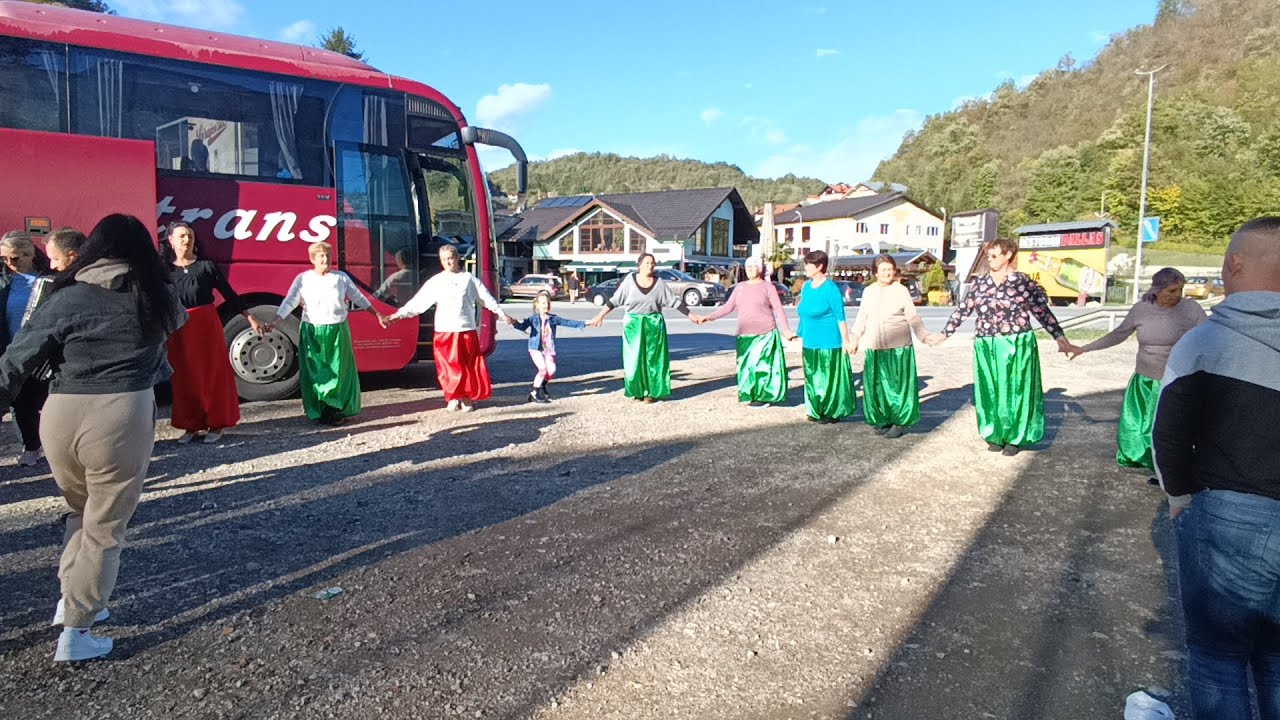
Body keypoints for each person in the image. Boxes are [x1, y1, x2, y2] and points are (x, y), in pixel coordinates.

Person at [0, 213, 185, 662]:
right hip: (121, 412)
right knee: (105, 526)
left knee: (80, 511)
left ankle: (70, 599)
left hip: (60, 413)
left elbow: (17, 359)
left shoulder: (66, 295)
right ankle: (76, 632)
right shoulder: (155, 295)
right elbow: (176, 327)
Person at [1154, 216, 1280, 720]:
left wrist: (1180, 499)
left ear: (1234, 265)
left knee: (1218, 660)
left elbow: (1167, 436)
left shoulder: (1205, 343)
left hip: (1229, 514)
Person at [928, 238, 1077, 455]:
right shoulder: (980, 282)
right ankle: (994, 433)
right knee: (990, 389)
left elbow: (1041, 310)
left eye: (994, 255)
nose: (990, 260)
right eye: (988, 256)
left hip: (1016, 341)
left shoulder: (1022, 281)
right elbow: (963, 309)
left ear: (1008, 255)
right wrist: (945, 333)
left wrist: (1059, 336)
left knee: (1016, 389)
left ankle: (1015, 437)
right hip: (986, 342)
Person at [1067, 267, 1205, 472]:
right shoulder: (1141, 310)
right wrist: (1084, 348)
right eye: (1172, 290)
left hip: (1175, 380)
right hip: (1145, 379)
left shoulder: (1191, 309)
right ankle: (1140, 456)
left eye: (1180, 290)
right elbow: (1118, 335)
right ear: (1157, 289)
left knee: (1167, 426)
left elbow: (1209, 336)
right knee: (1138, 423)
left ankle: (1165, 464)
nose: (1177, 295)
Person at [161, 222, 263, 443]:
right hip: (179, 328)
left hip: (205, 325)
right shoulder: (165, 271)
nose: (186, 240)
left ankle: (217, 423)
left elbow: (229, 293)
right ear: (170, 241)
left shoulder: (206, 266)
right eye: (181, 236)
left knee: (212, 373)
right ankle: (191, 425)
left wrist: (249, 317)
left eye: (189, 235)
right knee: (185, 377)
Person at [382, 244, 510, 412]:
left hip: (465, 329)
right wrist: (398, 315)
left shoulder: (469, 279)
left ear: (457, 258)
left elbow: (486, 299)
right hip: (444, 330)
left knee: (467, 366)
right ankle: (453, 396)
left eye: (450, 258)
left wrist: (502, 314)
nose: (448, 262)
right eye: (443, 259)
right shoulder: (436, 281)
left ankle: (467, 398)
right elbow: (418, 303)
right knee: (447, 367)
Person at [266, 242, 382, 425]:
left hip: (337, 328)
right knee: (316, 370)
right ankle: (320, 408)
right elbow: (290, 301)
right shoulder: (303, 279)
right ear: (312, 259)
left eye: (328, 255)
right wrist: (276, 320)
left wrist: (378, 315)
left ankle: (334, 409)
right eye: (321, 256)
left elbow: (358, 297)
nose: (325, 259)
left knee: (338, 369)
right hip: (313, 329)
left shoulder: (340, 278)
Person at [587, 253, 693, 403]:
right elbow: (615, 300)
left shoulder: (659, 283)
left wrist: (691, 315)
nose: (650, 265)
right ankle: (637, 390)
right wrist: (600, 315)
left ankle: (652, 392)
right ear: (640, 265)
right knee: (634, 358)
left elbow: (673, 301)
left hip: (653, 323)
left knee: (653, 359)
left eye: (652, 263)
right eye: (647, 263)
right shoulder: (629, 280)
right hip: (633, 323)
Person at [691, 256, 794, 407]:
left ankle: (763, 397)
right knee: (747, 367)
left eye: (754, 266)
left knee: (763, 367)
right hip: (745, 335)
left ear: (759, 269)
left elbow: (779, 310)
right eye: (748, 267)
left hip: (765, 333)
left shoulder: (768, 287)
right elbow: (728, 307)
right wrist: (709, 317)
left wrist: (786, 330)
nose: (750, 269)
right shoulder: (740, 287)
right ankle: (750, 394)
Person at [849, 255, 930, 438]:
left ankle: (899, 421)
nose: (887, 273)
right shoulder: (869, 291)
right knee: (877, 386)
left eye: (890, 269)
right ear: (875, 273)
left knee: (897, 387)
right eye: (883, 270)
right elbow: (862, 317)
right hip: (875, 347)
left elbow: (912, 316)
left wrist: (924, 335)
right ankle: (882, 418)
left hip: (898, 347)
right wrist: (855, 339)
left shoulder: (901, 290)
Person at [1, 230, 54, 466]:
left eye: (14, 258)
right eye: (3, 258)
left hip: (45, 350)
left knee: (49, 399)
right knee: (19, 402)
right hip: (11, 348)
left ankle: (56, 444)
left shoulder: (49, 278)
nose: (9, 263)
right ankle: (31, 446)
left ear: (30, 254)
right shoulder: (3, 281)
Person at [794, 250, 856, 423]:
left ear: (819, 266)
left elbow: (840, 316)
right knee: (812, 377)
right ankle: (815, 409)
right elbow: (804, 313)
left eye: (809, 264)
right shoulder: (806, 287)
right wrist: (798, 334)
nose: (806, 267)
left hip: (829, 342)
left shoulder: (830, 289)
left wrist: (846, 340)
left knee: (828, 378)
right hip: (810, 342)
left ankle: (831, 411)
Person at [512, 290, 586, 403]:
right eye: (543, 303)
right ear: (537, 305)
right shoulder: (533, 319)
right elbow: (522, 327)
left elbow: (567, 322)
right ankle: (535, 393)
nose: (545, 305)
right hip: (535, 349)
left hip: (548, 350)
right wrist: (513, 322)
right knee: (542, 369)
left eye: (547, 302)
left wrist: (584, 324)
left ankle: (542, 385)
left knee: (551, 371)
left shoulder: (553, 318)